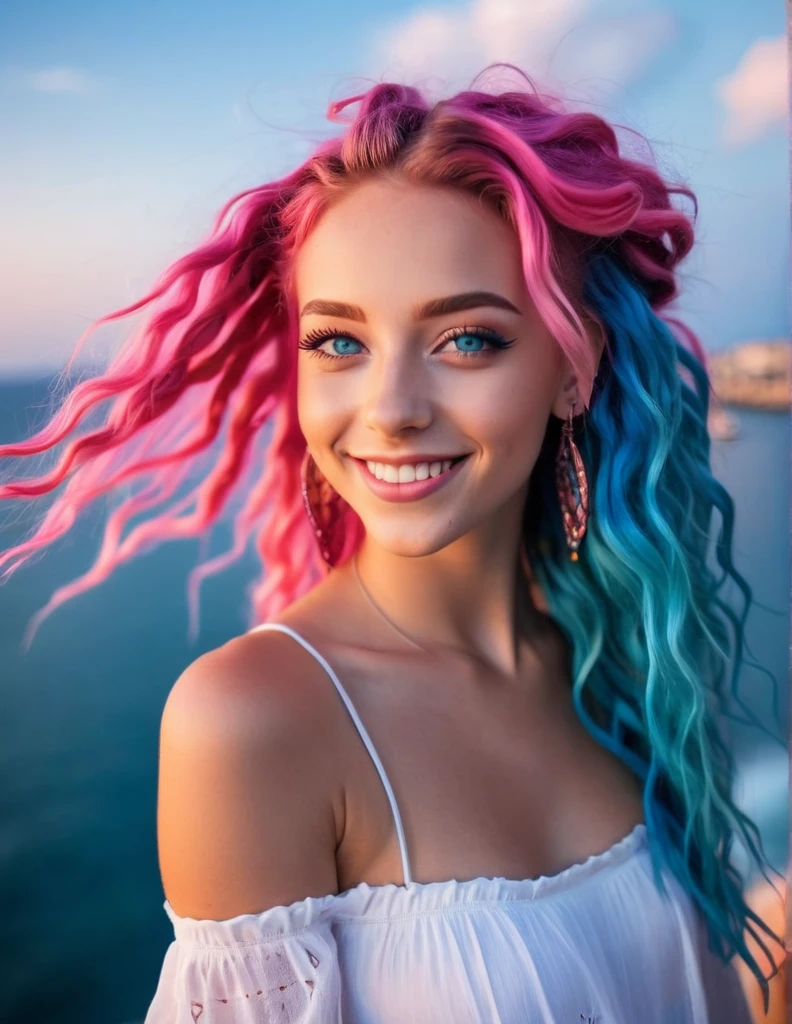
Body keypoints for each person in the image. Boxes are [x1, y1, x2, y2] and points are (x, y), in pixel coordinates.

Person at [0, 66, 784, 1022]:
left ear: (573, 369)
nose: (393, 411)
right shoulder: (250, 726)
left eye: (466, 339)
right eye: (339, 343)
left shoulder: (619, 659)